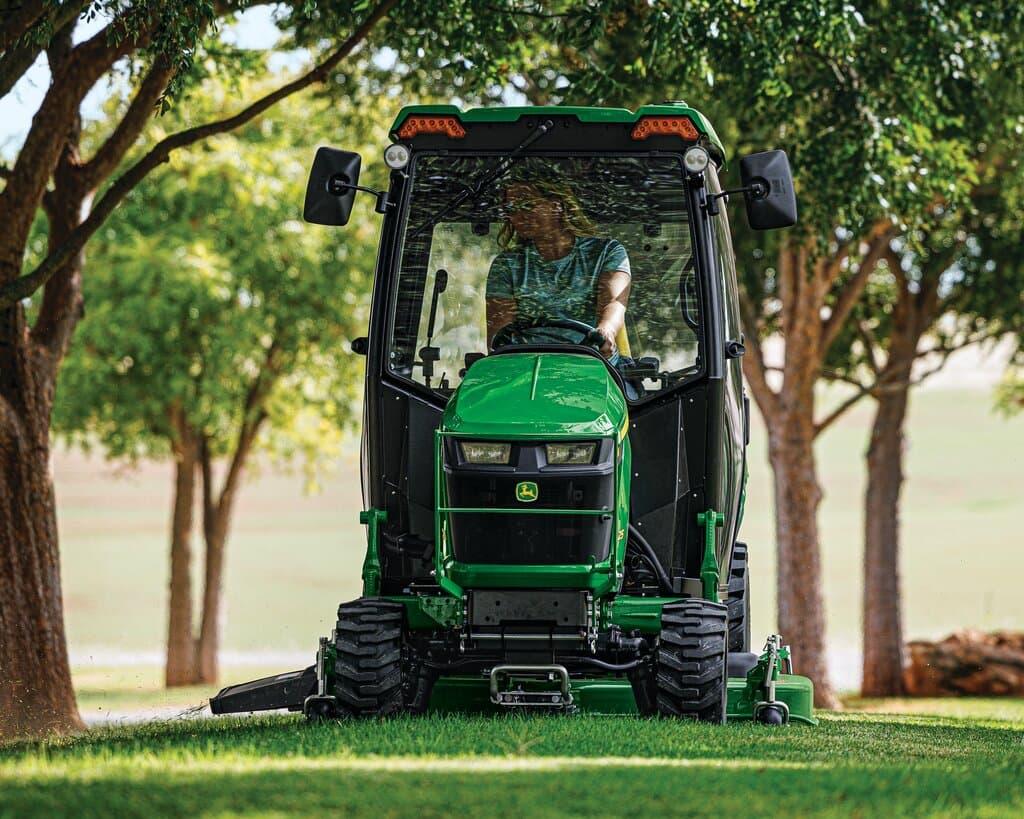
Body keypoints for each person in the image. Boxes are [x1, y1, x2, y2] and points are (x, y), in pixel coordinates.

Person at [485, 173, 631, 358]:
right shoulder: (507, 264)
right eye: (511, 208)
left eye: (527, 205)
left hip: (592, 360)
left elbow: (613, 303)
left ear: (556, 206)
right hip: (525, 364)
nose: (518, 216)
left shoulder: (606, 252)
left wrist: (606, 332)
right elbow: (500, 337)